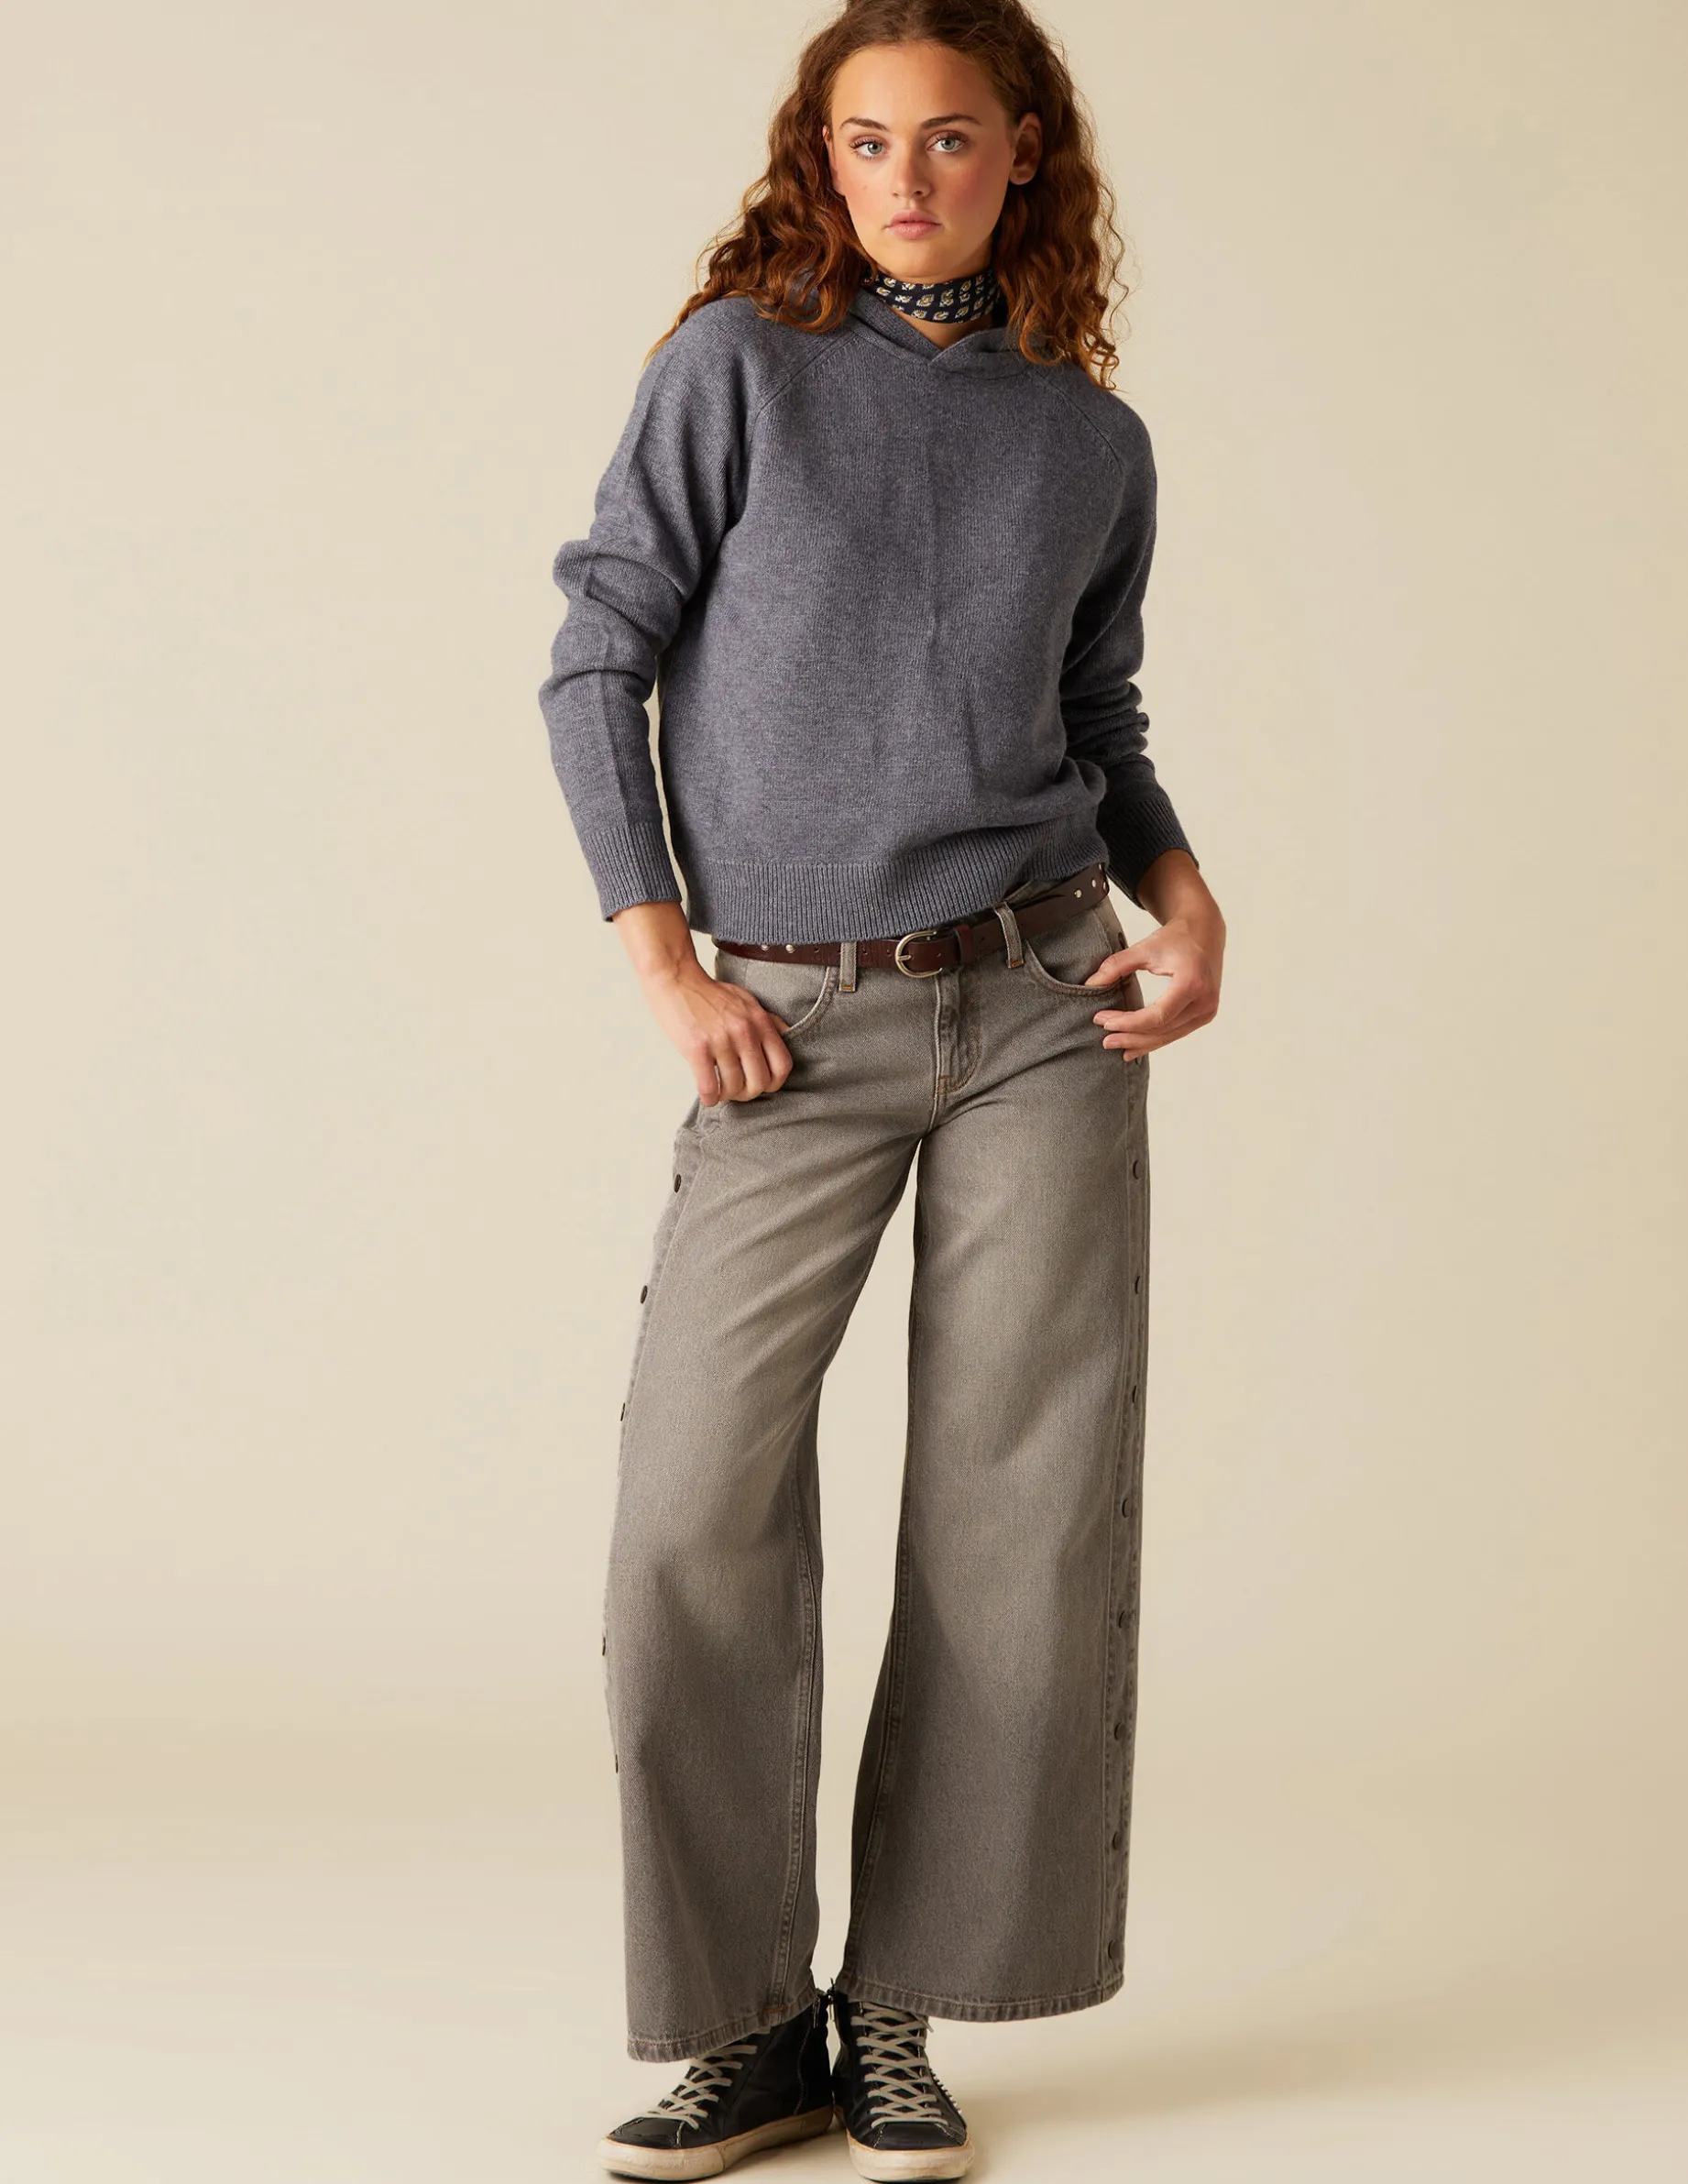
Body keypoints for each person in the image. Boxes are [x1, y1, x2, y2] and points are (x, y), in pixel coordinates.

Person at [537, 5, 1224, 2177]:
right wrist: (665, 959)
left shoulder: (1088, 441)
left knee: (1021, 1522)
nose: (905, 179)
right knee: (691, 1513)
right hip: (790, 1020)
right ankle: (748, 2026)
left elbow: (1098, 721)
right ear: (815, 161)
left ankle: (898, 2012)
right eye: (863, 142)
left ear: (1024, 155)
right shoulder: (736, 369)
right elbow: (598, 655)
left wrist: (1186, 901)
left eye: (946, 139)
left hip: (1040, 1007)